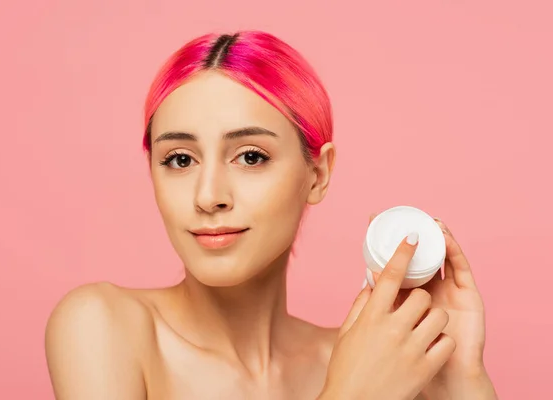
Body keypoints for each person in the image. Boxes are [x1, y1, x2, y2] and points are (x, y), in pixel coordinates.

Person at [45, 30, 497, 399]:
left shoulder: (374, 359)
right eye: (180, 159)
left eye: (250, 156)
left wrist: (459, 380)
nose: (209, 196)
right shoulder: (102, 326)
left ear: (317, 174)